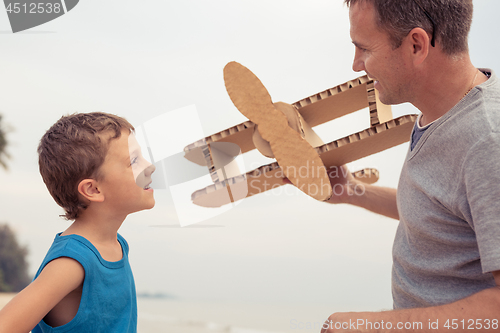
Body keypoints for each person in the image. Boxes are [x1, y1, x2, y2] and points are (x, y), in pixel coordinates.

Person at [318, 0, 500, 332]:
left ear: (416, 45)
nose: (357, 65)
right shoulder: (440, 112)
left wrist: (368, 326)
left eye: (364, 49)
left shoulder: (487, 141)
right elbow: (446, 216)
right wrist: (353, 191)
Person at [0, 112, 156, 333]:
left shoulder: (117, 245)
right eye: (134, 161)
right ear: (93, 189)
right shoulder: (73, 261)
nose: (150, 167)